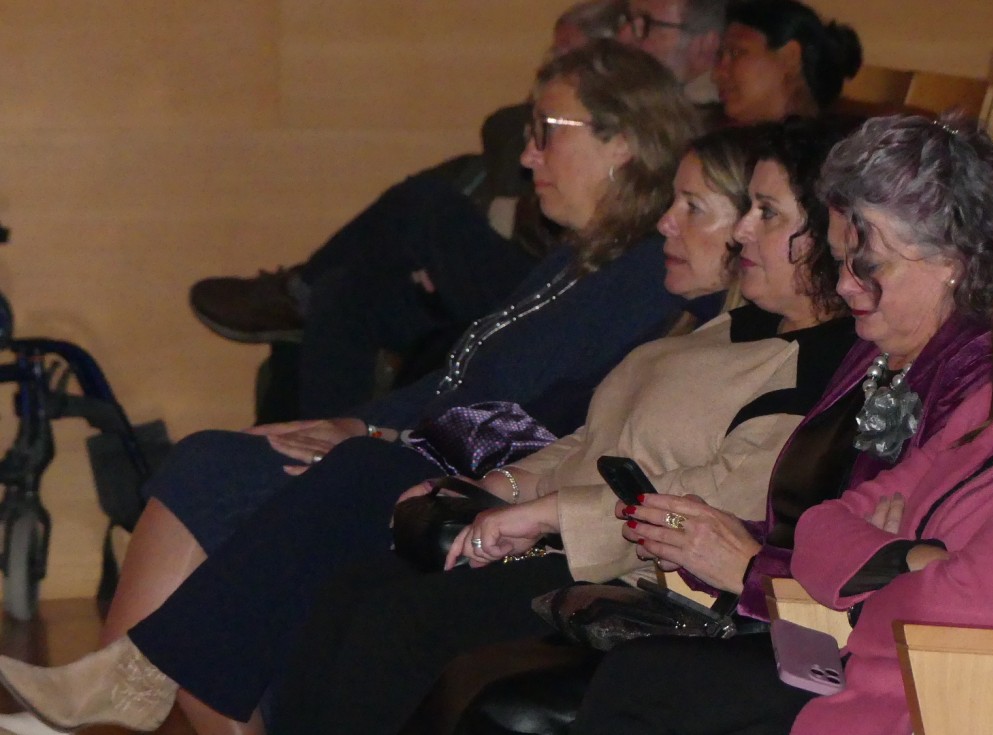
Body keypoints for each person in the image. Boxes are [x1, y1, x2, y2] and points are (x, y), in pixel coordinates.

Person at [0, 40, 699, 735]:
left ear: (622, 142)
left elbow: (545, 416)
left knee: (224, 474)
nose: (527, 157)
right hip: (430, 450)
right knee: (218, 460)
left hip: (481, 478)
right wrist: (354, 423)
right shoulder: (577, 262)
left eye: (546, 131)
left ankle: (122, 680)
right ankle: (117, 681)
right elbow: (456, 379)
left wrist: (384, 436)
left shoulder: (645, 275)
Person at [256, 117, 858, 735]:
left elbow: (727, 498)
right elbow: (592, 438)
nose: (743, 230)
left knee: (401, 619)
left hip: (639, 572)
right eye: (747, 209)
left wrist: (548, 515)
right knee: (354, 588)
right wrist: (502, 488)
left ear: (830, 232)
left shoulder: (824, 364)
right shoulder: (741, 322)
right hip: (576, 539)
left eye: (767, 213)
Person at [454, 111, 993, 735]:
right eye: (842, 261)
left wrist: (757, 564)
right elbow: (830, 526)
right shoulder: (879, 347)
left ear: (951, 260)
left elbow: (900, 572)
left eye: (868, 266)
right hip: (790, 619)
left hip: (865, 661)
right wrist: (708, 534)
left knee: (627, 683)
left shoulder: (976, 376)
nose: (845, 286)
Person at [574, 203, 993, 735]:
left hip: (948, 708)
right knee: (642, 676)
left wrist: (880, 573)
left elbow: (955, 606)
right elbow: (824, 523)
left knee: (645, 686)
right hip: (874, 685)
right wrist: (912, 559)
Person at [191, 0, 729, 419]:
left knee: (427, 209)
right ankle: (311, 432)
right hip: (527, 271)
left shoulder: (706, 143)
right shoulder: (568, 153)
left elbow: (538, 401)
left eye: (646, 26)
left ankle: (298, 299)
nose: (528, 153)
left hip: (530, 282)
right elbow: (502, 137)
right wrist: (357, 430)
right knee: (348, 292)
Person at [713, 0, 862, 125]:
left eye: (736, 53)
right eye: (720, 56)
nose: (717, 74)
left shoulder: (839, 149)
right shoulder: (718, 137)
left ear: (790, 57)